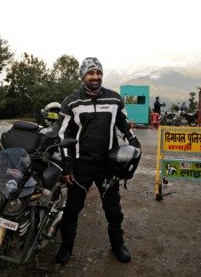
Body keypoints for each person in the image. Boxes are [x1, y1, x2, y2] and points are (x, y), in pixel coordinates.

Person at [56, 57, 141, 265]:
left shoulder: (114, 99)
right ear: (83, 76)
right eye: (90, 73)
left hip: (108, 164)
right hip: (80, 165)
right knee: (72, 209)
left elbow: (123, 122)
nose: (95, 77)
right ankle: (66, 247)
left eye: (98, 73)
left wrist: (133, 139)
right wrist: (67, 166)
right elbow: (62, 135)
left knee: (113, 209)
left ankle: (118, 245)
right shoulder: (71, 102)